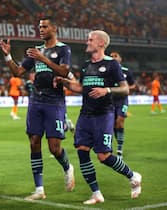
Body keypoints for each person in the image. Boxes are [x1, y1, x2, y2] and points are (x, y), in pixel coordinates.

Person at [59, 30, 142, 204]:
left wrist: (107, 90)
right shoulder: (85, 65)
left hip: (104, 114)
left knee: (103, 156)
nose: (87, 42)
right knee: (82, 150)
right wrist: (64, 82)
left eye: (91, 40)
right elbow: (81, 88)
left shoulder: (112, 65)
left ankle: (133, 176)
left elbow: (125, 89)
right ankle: (96, 193)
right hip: (85, 114)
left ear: (101, 43)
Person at [0, 16, 75, 201]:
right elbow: (18, 72)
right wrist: (8, 55)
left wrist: (43, 58)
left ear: (54, 28)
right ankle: (39, 189)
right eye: (40, 27)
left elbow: (64, 72)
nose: (41, 29)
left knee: (54, 148)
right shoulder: (36, 51)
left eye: (45, 26)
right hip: (36, 100)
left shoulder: (63, 49)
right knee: (34, 142)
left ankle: (67, 167)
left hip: (54, 102)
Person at [110, 51, 136, 157]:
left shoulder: (126, 71)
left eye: (115, 56)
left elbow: (133, 86)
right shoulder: (106, 71)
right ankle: (109, 147)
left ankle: (119, 149)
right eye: (111, 56)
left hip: (122, 100)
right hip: (110, 100)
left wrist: (124, 89)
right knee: (111, 124)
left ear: (120, 59)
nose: (113, 58)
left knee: (120, 121)